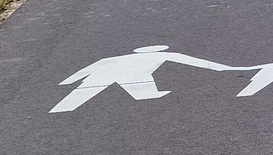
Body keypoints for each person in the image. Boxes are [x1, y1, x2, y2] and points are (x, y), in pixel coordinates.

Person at [51, 46, 238, 113]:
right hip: (134, 76)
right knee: (142, 89)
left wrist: (69, 81)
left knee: (80, 94)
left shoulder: (113, 58)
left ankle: (64, 107)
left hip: (101, 77)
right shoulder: (160, 55)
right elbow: (191, 61)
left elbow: (89, 68)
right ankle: (64, 107)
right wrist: (224, 68)